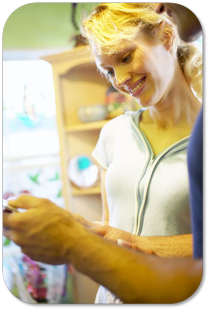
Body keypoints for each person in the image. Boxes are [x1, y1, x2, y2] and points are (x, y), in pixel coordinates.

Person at [3, 3, 203, 304]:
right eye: (109, 70)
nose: (120, 80)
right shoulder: (114, 133)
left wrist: (132, 242)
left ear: (165, 37)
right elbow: (113, 225)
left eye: (126, 57)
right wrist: (77, 229)